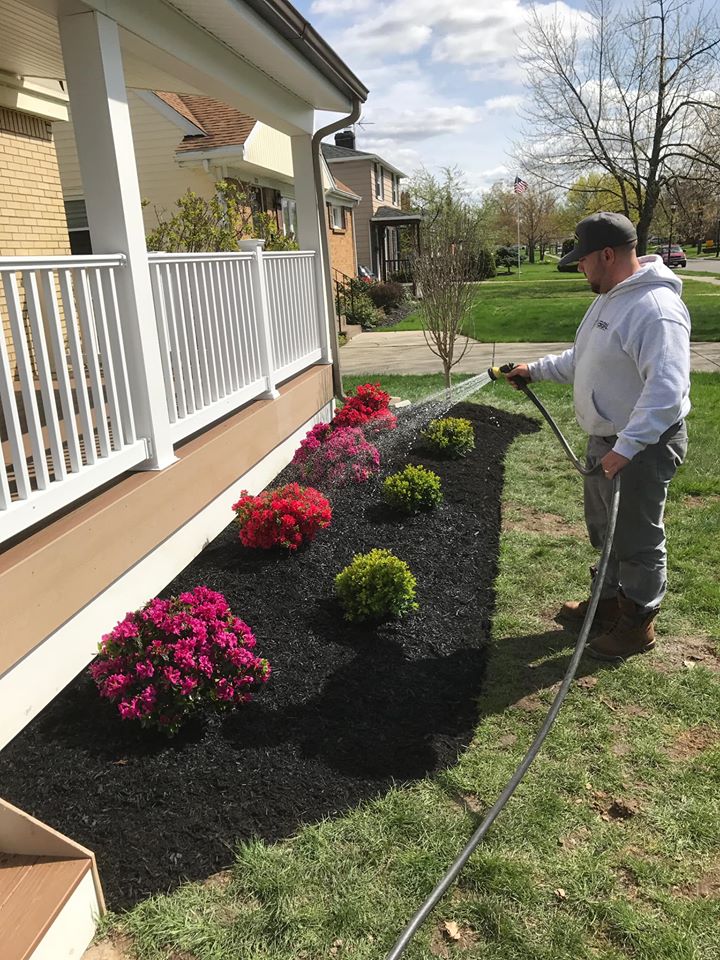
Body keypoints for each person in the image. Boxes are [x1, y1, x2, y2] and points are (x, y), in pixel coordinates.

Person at [506, 212, 691, 660]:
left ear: (608, 255)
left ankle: (637, 623)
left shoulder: (656, 310)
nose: (580, 268)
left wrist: (626, 448)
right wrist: (536, 369)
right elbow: (583, 358)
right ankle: (609, 603)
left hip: (641, 447)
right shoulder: (609, 298)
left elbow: (666, 391)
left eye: (584, 259)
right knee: (605, 531)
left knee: (637, 538)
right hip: (608, 443)